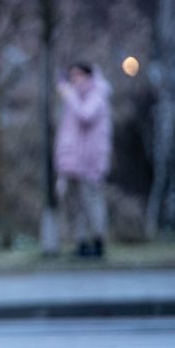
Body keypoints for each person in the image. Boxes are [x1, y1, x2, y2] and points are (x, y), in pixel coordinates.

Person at [54, 62, 112, 258]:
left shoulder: (97, 94)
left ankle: (98, 243)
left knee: (92, 203)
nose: (74, 80)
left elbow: (85, 116)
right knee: (77, 206)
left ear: (88, 75)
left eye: (78, 75)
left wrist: (69, 96)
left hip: (90, 163)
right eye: (72, 76)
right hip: (74, 163)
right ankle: (82, 244)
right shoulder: (75, 98)